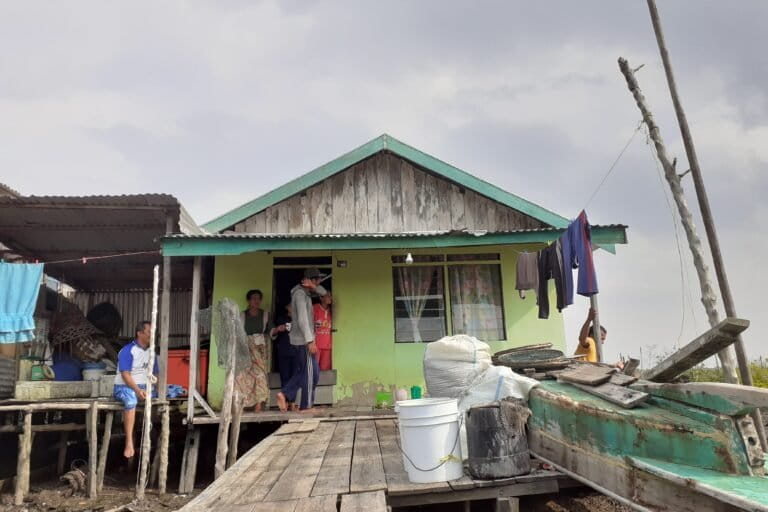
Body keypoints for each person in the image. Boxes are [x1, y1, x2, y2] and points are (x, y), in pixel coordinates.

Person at [277, 268, 327, 412]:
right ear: (310, 279)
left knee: (310, 373)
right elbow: (302, 319)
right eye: (317, 280)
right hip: (303, 341)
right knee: (310, 374)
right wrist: (309, 341)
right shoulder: (299, 294)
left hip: (304, 340)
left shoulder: (306, 292)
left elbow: (323, 293)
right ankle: (306, 406)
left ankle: (285, 393)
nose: (318, 283)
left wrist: (313, 286)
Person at [113, 321, 158, 459]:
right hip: (124, 387)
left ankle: (150, 436)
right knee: (131, 400)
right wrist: (138, 391)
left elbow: (156, 374)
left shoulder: (152, 353)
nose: (152, 335)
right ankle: (129, 442)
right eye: (149, 332)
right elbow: (125, 375)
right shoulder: (127, 350)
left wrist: (155, 387)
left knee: (164, 395)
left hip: (144, 387)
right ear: (140, 333)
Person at [236, 289, 283, 412]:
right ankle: (243, 404)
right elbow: (237, 333)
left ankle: (258, 404)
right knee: (244, 375)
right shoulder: (242, 315)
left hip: (260, 350)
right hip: (245, 349)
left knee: (260, 375)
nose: (256, 301)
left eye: (258, 298)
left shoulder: (265, 315)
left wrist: (277, 330)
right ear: (248, 301)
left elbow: (271, 329)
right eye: (254, 298)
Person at [274, 303, 296, 408]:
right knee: (285, 377)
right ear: (286, 307)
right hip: (284, 351)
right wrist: (279, 329)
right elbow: (275, 332)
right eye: (291, 305)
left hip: (296, 351)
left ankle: (292, 402)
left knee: (294, 377)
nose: (293, 307)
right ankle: (285, 402)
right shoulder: (281, 319)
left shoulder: (299, 318)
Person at [313, 292, 333, 371]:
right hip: (315, 344)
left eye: (330, 296)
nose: (330, 297)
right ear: (321, 298)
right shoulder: (315, 308)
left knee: (325, 369)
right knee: (314, 368)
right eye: (328, 296)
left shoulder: (332, 310)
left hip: (327, 344)